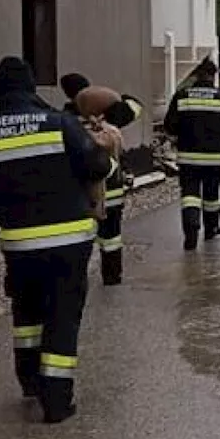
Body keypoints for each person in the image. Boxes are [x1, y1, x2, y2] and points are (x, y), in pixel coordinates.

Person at [0, 57, 118, 423]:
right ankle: (56, 400)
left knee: (27, 315)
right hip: (67, 243)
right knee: (63, 315)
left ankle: (30, 381)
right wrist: (109, 160)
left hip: (18, 245)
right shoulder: (59, 124)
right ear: (32, 88)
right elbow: (96, 166)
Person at [59, 73, 145, 285]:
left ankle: (77, 277)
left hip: (82, 192)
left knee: (81, 235)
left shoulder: (65, 120)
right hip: (113, 191)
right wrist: (114, 97)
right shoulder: (111, 117)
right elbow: (136, 106)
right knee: (112, 236)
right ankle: (112, 276)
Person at [163, 57, 220, 250]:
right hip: (215, 157)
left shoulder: (182, 96)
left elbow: (169, 126)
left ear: (195, 74)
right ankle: (211, 228)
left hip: (188, 156)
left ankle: (191, 230)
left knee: (190, 194)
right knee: (211, 195)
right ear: (214, 75)